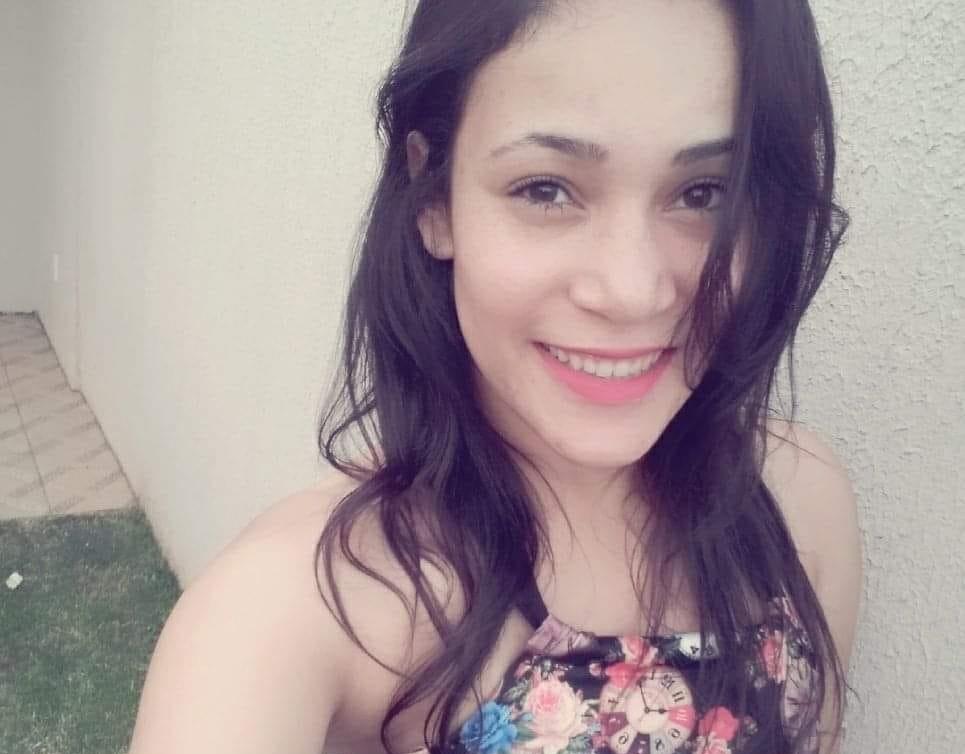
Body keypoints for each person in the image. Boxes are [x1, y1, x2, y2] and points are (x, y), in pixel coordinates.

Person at [128, 1, 862, 753]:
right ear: (435, 199)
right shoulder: (299, 607)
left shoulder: (799, 502)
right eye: (545, 189)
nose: (631, 290)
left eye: (704, 193)